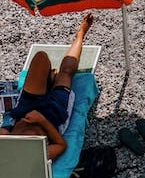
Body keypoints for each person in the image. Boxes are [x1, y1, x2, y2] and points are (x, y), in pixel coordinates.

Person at [0, 13, 95, 161]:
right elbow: (61, 145)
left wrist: (7, 129)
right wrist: (41, 120)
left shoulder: (5, 150)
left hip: (26, 109)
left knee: (41, 57)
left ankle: (47, 82)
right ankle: (80, 35)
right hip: (53, 115)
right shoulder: (36, 159)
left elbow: (6, 127)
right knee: (66, 72)